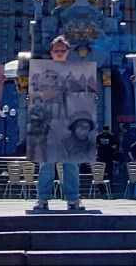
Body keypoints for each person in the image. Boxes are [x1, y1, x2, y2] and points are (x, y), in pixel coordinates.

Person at [32, 35, 87, 212]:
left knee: (71, 163)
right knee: (46, 164)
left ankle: (73, 198)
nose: (59, 53)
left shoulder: (75, 73)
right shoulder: (42, 73)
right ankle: (42, 199)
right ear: (51, 52)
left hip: (69, 123)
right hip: (48, 123)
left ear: (68, 52)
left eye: (62, 50)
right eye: (56, 51)